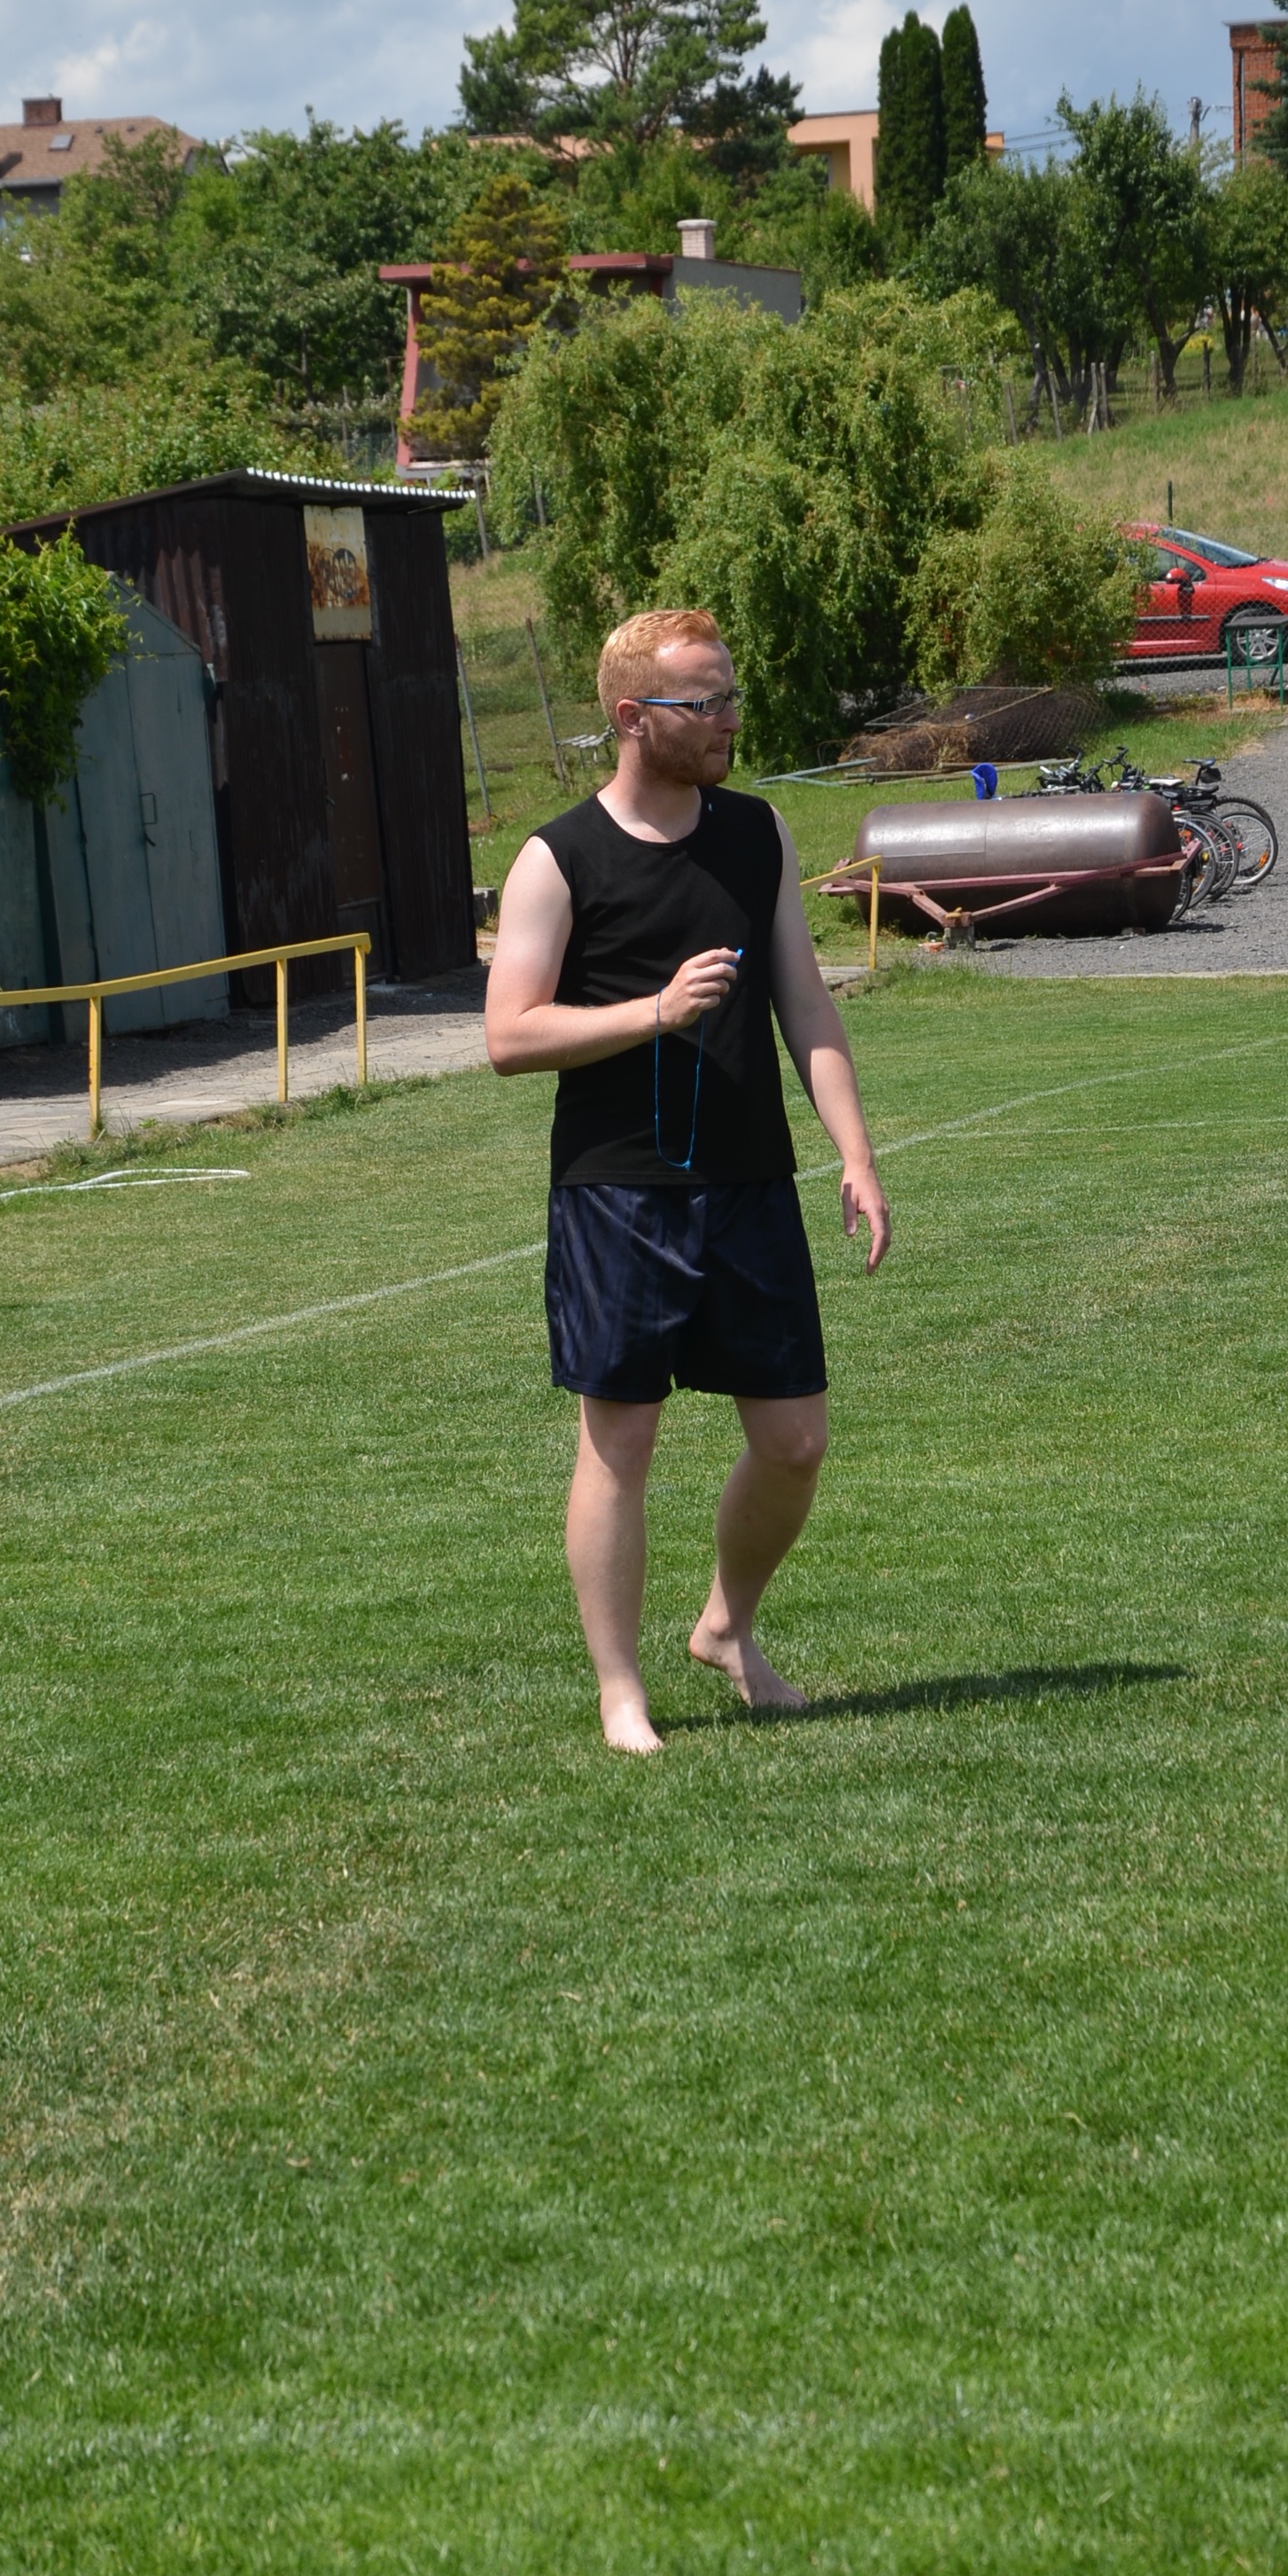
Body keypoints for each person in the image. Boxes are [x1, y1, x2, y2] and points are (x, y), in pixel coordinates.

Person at [485, 607, 891, 1753]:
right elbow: (509, 1035)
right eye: (703, 702)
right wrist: (653, 1012)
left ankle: (725, 1626)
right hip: (617, 1192)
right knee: (621, 1443)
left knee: (796, 1441)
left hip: (751, 1183)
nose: (727, 720)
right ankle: (621, 1692)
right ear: (633, 716)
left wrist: (856, 1154)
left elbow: (804, 1003)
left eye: (729, 697)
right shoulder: (557, 858)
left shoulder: (757, 833)